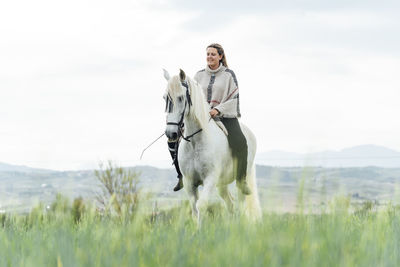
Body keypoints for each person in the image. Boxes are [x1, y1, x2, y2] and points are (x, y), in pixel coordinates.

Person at [170, 43, 251, 195]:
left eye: (213, 54)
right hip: (201, 117)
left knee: (241, 141)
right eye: (208, 54)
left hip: (223, 115)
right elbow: (191, 96)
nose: (210, 57)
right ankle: (181, 175)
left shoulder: (229, 75)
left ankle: (241, 180)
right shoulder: (198, 75)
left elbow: (234, 97)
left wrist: (217, 109)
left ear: (220, 56)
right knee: (173, 138)